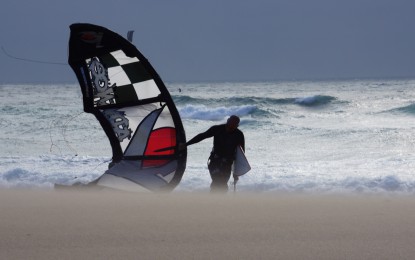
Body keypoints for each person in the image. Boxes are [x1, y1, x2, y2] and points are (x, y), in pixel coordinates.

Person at [182, 115, 245, 192]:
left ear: (237, 126)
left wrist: (236, 172)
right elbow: (202, 136)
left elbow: (241, 154)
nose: (229, 128)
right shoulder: (217, 129)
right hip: (215, 161)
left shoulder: (239, 135)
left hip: (227, 163)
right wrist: (186, 144)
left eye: (232, 127)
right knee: (217, 181)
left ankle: (219, 201)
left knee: (223, 184)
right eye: (229, 125)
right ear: (227, 121)